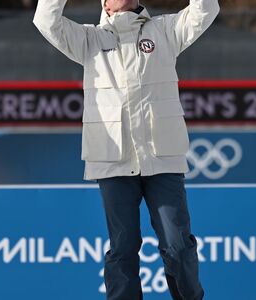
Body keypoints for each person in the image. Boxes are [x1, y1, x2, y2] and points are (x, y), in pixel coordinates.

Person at [33, 0, 218, 298]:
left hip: (162, 158)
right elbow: (45, 20)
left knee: (178, 245)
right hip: (113, 159)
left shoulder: (165, 30)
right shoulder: (89, 39)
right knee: (123, 247)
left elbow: (206, 10)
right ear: (104, 2)